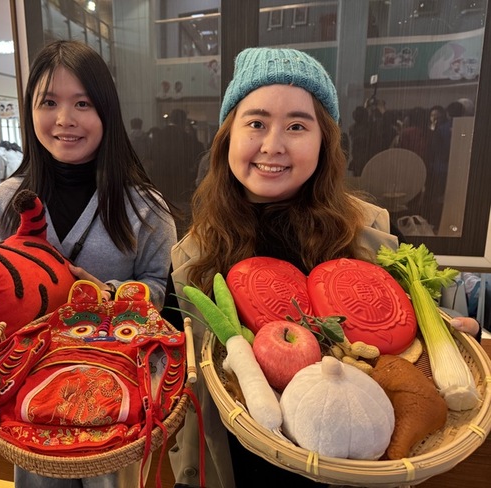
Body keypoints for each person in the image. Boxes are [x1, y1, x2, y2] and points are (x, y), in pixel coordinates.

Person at [165, 47, 482, 488]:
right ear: (228, 137)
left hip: (356, 464)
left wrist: (452, 330)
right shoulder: (193, 258)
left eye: (297, 126)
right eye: (256, 123)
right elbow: (178, 372)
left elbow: (411, 340)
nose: (273, 145)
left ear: (324, 141)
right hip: (238, 463)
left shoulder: (372, 235)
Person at [0, 39, 177, 488]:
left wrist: (106, 296)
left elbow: (160, 290)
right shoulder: (4, 203)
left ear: (106, 111)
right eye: (49, 102)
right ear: (30, 111)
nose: (64, 119)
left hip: (116, 389)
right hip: (30, 392)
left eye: (82, 103)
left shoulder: (145, 206)